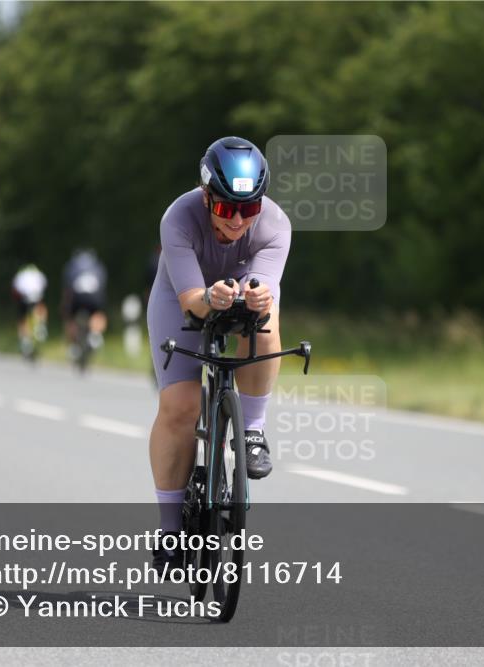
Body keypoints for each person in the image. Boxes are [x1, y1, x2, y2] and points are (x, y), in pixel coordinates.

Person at [147, 136, 291, 570]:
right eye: (227, 209)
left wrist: (256, 298)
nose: (238, 221)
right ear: (206, 194)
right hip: (182, 297)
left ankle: (252, 430)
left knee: (265, 320)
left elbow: (264, 287)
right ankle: (170, 530)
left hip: (241, 293)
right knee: (180, 406)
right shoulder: (179, 217)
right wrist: (210, 296)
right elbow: (192, 299)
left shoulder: (275, 224)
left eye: (249, 209)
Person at [61, 248, 108, 356]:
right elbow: (102, 286)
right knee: (98, 314)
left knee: (70, 318)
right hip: (95, 296)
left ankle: (73, 345)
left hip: (77, 296)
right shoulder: (98, 267)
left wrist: (65, 308)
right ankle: (95, 335)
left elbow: (67, 290)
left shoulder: (71, 266)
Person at [11, 263, 48, 357]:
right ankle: (41, 325)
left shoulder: (20, 275)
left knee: (22, 319)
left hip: (24, 298)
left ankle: (25, 340)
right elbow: (44, 286)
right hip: (35, 296)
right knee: (41, 307)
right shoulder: (39, 274)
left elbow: (15, 290)